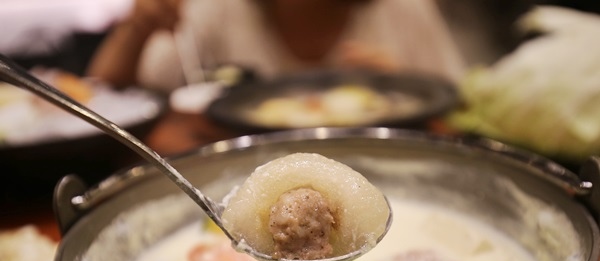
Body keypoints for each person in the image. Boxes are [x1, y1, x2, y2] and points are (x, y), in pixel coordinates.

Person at [87, 0, 466, 93]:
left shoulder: (403, 10)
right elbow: (101, 90)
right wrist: (136, 28)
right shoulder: (220, 10)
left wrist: (403, 83)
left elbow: (461, 102)